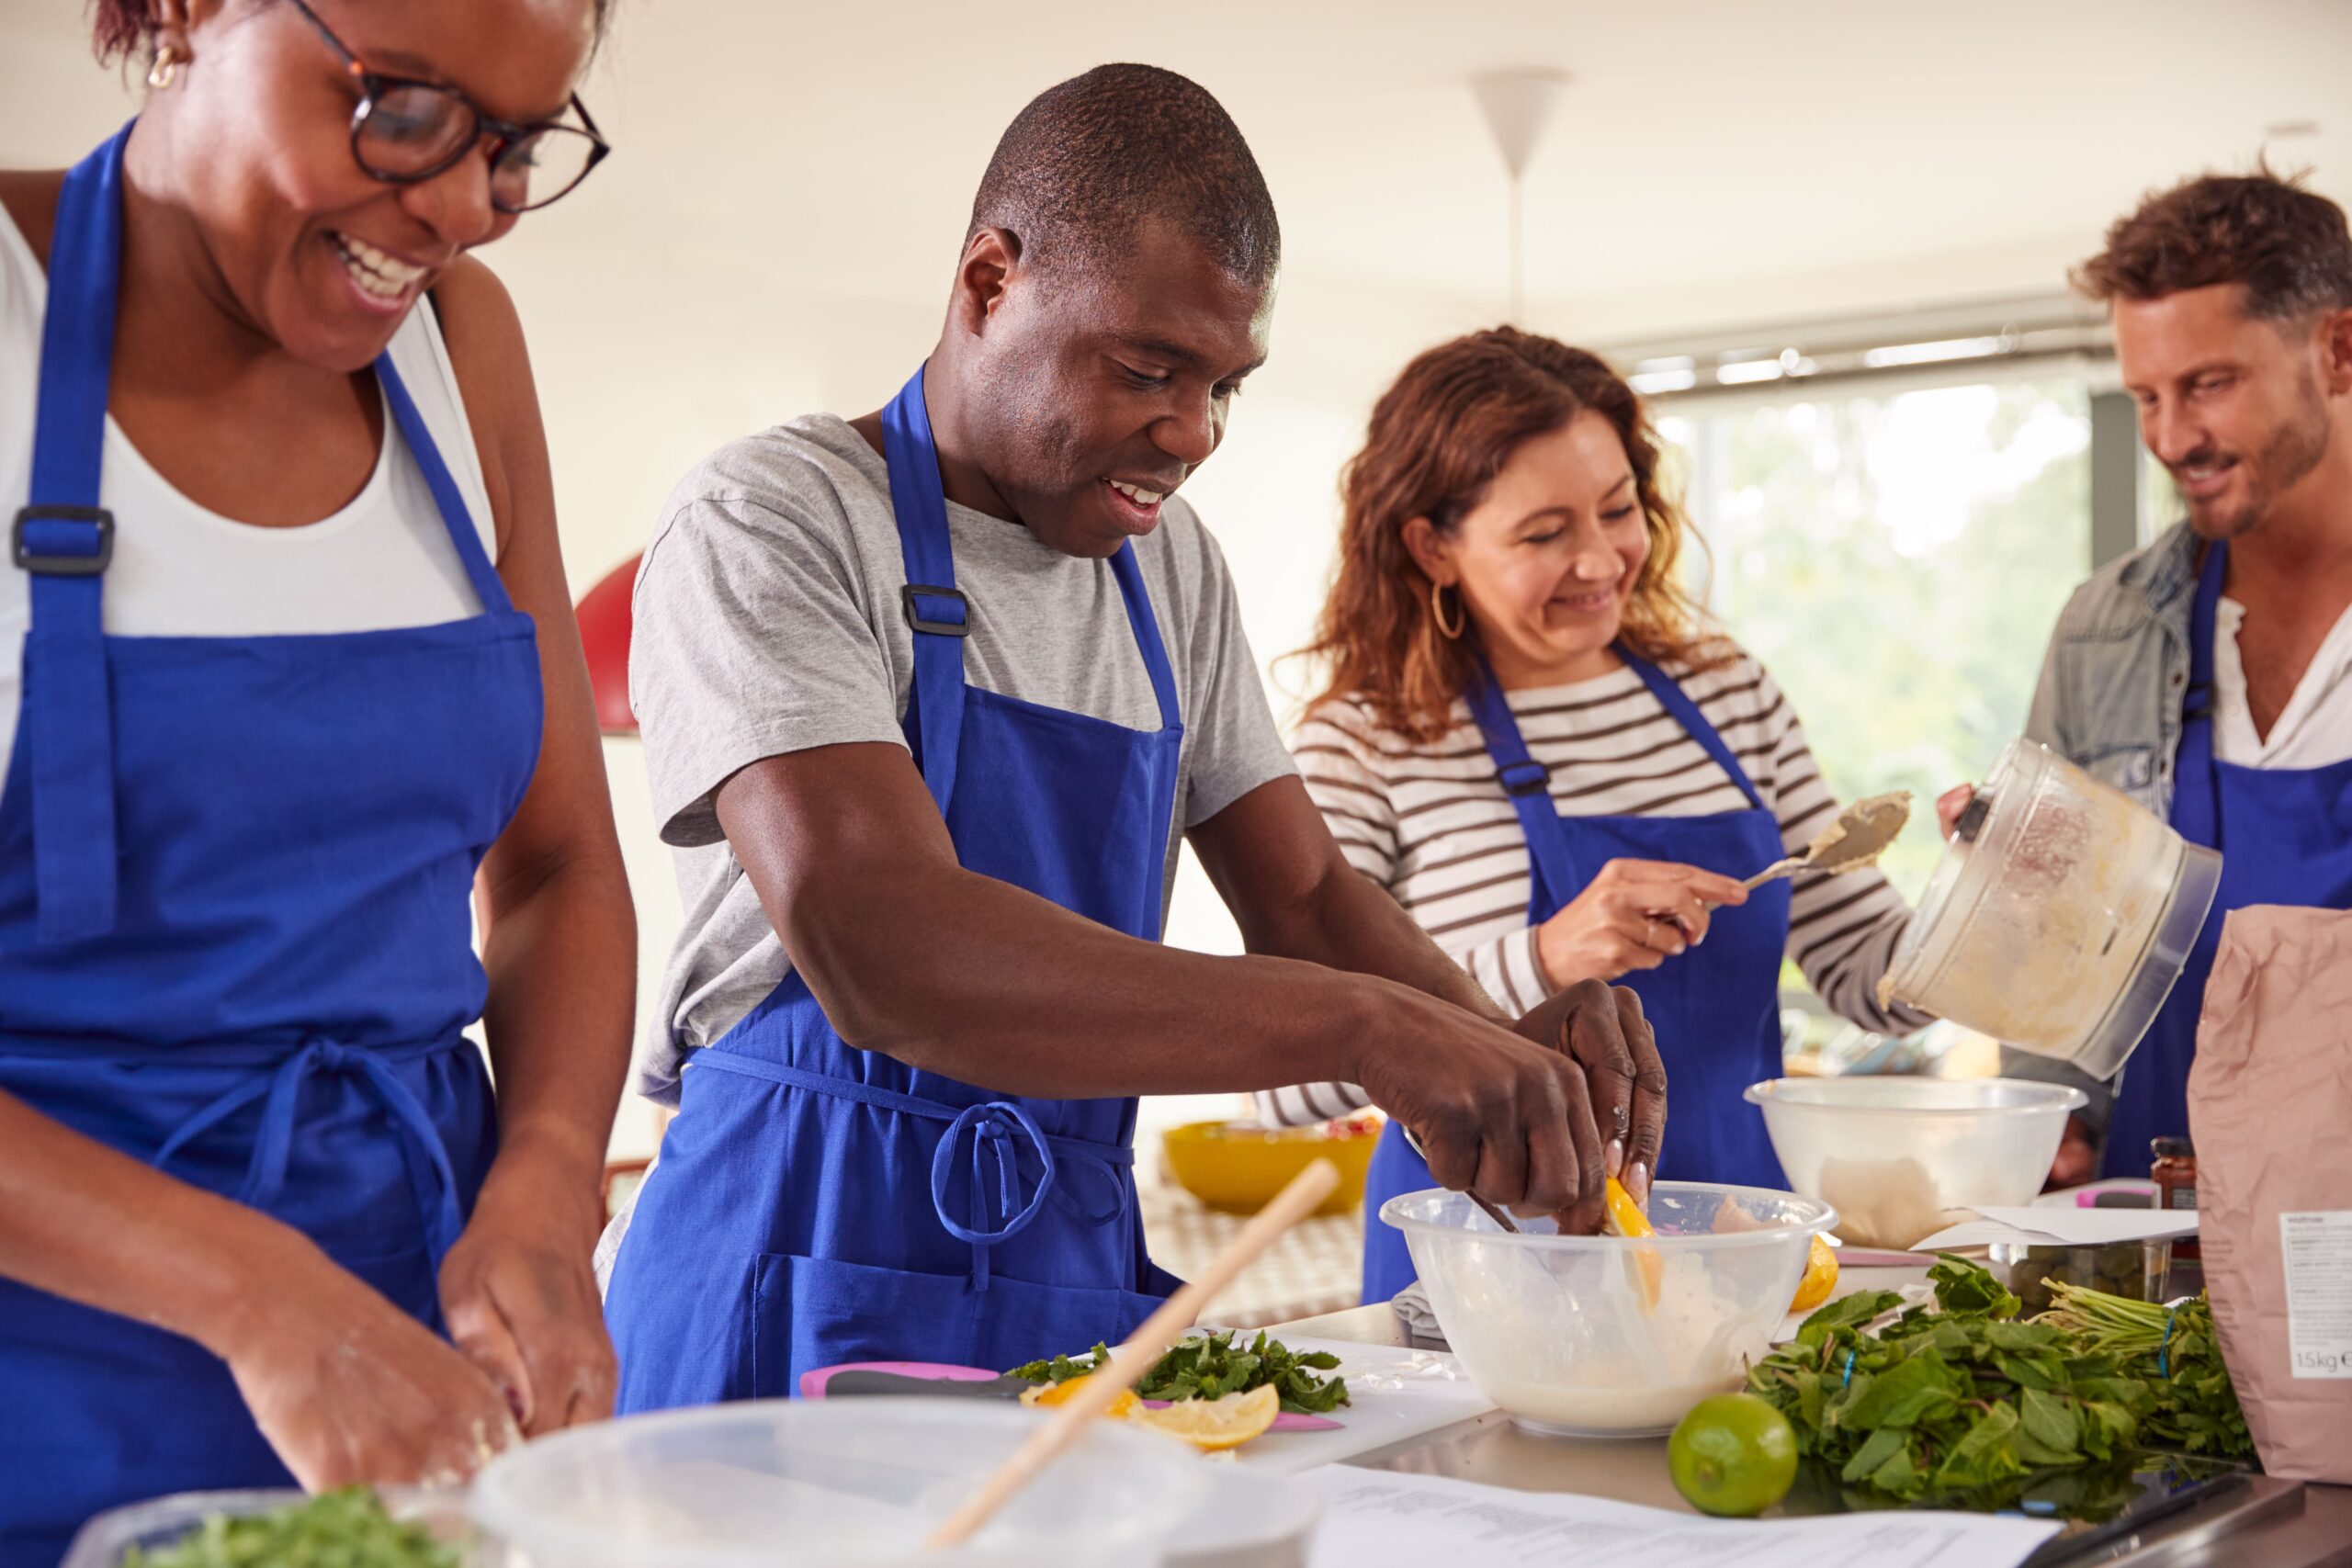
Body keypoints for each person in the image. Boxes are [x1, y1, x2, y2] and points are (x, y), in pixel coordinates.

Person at [601, 65, 1659, 1409]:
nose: (1192, 432)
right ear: (990, 281)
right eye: (1149, 370)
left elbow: (1307, 897)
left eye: (1226, 385)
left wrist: (1505, 1053)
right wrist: (1371, 1026)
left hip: (1059, 1254)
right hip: (789, 1238)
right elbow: (886, 947)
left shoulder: (1168, 570)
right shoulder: (776, 515)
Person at [0, 0, 635, 1556]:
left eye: (517, 146)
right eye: (404, 112)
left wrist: (549, 1177)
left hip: (424, 1395)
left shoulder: (461, 346)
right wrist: (255, 1292)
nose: (466, 208)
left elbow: (556, 867)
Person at [1256, 328, 1932, 1303]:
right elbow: (1283, 1083)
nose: (1601, 558)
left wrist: (1997, 902)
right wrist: (1544, 958)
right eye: (1544, 534)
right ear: (1432, 546)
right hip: (1489, 1280)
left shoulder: (1731, 696)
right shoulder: (1364, 742)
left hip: (1737, 1252)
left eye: (1618, 510)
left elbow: (1877, 981)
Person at [1989, 167, 2352, 1183]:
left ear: (2338, 349)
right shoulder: (2105, 629)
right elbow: (2050, 937)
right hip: (2156, 1214)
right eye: (2145, 396)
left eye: (2209, 385)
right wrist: (2046, 1119)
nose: (2171, 438)